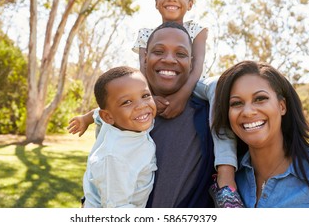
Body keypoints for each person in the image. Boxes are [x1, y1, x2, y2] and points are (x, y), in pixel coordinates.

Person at [69, 22, 242, 207]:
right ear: (144, 59)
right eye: (158, 51)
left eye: (181, 53)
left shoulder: (209, 114)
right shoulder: (121, 116)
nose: (169, 59)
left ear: (192, 63)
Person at [211, 60, 309, 207]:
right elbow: (200, 85)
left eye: (260, 99)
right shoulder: (227, 181)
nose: (248, 112)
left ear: (282, 106)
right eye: (236, 103)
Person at [82, 66, 157, 208]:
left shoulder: (130, 122)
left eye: (145, 95)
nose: (141, 106)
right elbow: (116, 208)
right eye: (127, 102)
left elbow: (98, 114)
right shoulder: (115, 158)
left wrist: (85, 119)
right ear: (108, 117)